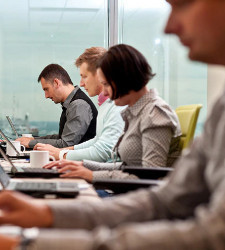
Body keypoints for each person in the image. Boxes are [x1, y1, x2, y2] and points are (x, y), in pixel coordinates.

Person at [1, 0, 225, 249]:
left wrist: (31, 242)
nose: (169, 27)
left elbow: (223, 231)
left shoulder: (155, 115)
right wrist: (49, 215)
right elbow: (159, 195)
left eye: (184, 5)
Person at [43, 44, 181, 182]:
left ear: (124, 79)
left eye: (107, 85)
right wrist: (82, 165)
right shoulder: (138, 111)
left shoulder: (155, 114)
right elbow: (127, 168)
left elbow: (148, 179)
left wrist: (90, 175)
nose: (104, 92)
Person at [34, 47, 125, 163]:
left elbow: (103, 151)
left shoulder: (117, 105)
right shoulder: (106, 105)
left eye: (84, 76)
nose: (81, 83)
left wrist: (62, 154)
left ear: (100, 74)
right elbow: (97, 141)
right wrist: (63, 152)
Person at [16, 64, 98, 149]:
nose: (46, 96)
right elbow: (62, 137)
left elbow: (66, 143)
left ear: (56, 83)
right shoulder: (71, 103)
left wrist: (31, 143)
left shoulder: (78, 105)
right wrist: (33, 139)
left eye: (46, 89)